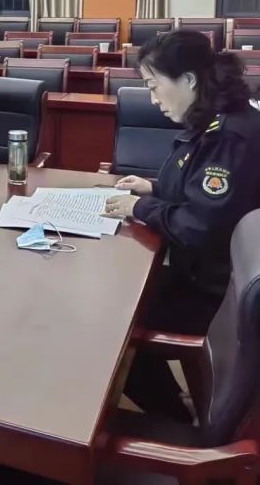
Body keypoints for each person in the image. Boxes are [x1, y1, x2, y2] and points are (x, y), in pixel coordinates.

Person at [106, 29, 260, 421]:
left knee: (114, 327)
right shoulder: (215, 118)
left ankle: (175, 420)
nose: (153, 99)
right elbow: (202, 193)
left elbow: (198, 226)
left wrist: (141, 207)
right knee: (120, 297)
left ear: (188, 79)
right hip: (207, 273)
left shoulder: (229, 136)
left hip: (216, 294)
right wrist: (154, 188)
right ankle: (179, 399)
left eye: (154, 86)